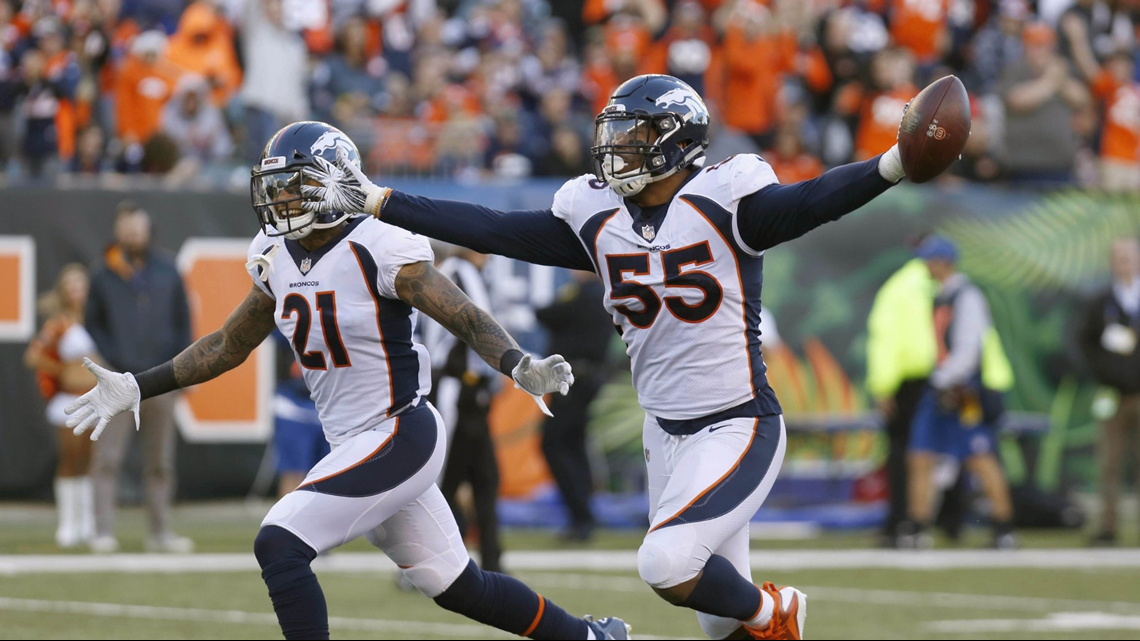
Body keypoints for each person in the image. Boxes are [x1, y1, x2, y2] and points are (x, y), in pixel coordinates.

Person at [306, 73, 938, 640]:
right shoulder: (597, 216)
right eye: (616, 134)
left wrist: (890, 164)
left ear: (676, 140)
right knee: (719, 622)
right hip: (663, 431)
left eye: (635, 136)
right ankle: (759, 620)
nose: (619, 148)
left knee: (666, 562)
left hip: (737, 423)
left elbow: (813, 200)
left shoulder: (726, 198)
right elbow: (493, 227)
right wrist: (384, 201)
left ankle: (778, 613)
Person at [65, 122, 629, 641]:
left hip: (400, 431)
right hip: (356, 442)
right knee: (458, 585)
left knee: (280, 543)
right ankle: (590, 637)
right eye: (275, 186)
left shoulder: (379, 243)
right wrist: (139, 385)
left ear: (334, 186)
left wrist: (517, 365)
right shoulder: (273, 254)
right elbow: (228, 344)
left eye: (294, 185)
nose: (278, 198)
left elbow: (461, 314)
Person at [84, 201, 193, 554]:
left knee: (160, 460)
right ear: (118, 232)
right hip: (117, 377)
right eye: (127, 228)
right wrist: (113, 356)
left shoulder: (167, 269)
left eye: (137, 228)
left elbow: (183, 320)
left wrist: (177, 368)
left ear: (148, 230)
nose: (132, 234)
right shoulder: (104, 273)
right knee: (107, 458)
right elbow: (93, 322)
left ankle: (160, 532)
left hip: (159, 376)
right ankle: (102, 530)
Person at [904, 236, 1017, 550]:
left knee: (979, 455)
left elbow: (969, 349)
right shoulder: (943, 296)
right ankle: (917, 526)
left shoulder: (967, 297)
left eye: (929, 259)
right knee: (920, 453)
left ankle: (1004, 526)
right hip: (945, 386)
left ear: (943, 262)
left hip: (963, 390)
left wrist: (944, 379)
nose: (925, 265)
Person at [422, 247, 504, 573]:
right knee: (443, 482)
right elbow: (479, 328)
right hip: (455, 389)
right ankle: (427, 562)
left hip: (471, 392)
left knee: (484, 479)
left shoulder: (468, 273)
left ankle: (491, 562)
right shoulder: (457, 272)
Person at [535, 270, 614, 542]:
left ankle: (580, 515)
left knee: (554, 443)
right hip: (587, 377)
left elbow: (547, 314)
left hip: (573, 380)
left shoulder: (582, 293)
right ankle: (583, 515)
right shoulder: (606, 294)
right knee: (574, 445)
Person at [24, 264, 99, 548]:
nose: (77, 291)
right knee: (69, 458)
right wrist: (61, 370)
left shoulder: (95, 320)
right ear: (63, 291)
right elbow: (33, 356)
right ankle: (67, 525)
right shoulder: (58, 324)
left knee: (87, 460)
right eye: (71, 285)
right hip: (68, 399)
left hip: (95, 399)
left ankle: (86, 524)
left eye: (81, 284)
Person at [1079, 237, 1140, 547]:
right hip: (1111, 394)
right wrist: (1104, 372)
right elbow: (1085, 343)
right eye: (1118, 257)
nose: (1124, 263)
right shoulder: (1102, 301)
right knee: (1110, 463)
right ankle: (1108, 526)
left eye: (1128, 257)